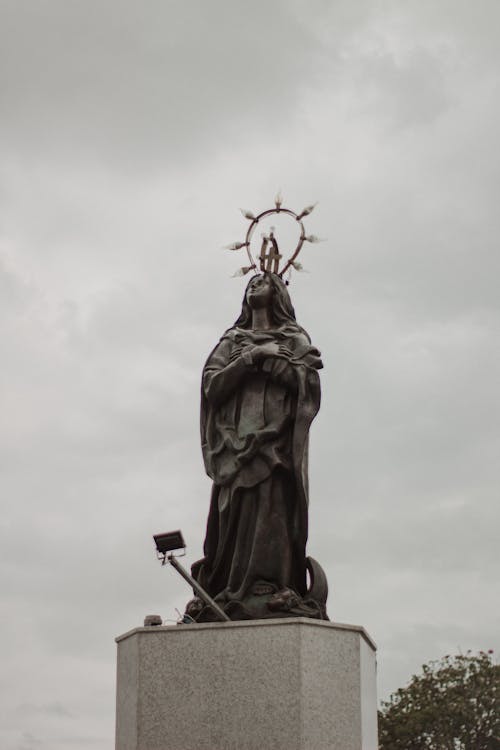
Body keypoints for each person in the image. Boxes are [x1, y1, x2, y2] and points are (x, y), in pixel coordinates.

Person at [188, 273, 328, 621]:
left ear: (278, 293)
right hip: (233, 445)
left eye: (263, 282)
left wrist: (274, 362)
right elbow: (212, 387)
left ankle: (271, 585)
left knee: (272, 509)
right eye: (250, 282)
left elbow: (306, 382)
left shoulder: (294, 337)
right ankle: (228, 586)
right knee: (232, 511)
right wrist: (253, 358)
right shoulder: (231, 341)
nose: (254, 285)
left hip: (274, 441)